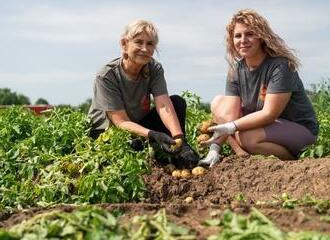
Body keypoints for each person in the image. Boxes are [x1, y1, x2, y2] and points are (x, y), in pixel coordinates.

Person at [199, 9, 318, 167]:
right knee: (218, 103)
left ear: (261, 37)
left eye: (250, 34)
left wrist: (231, 127)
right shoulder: (236, 70)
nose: (243, 40)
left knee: (247, 137)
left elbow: (269, 114)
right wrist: (215, 147)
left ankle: (294, 163)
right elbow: (229, 113)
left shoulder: (279, 66)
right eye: (237, 36)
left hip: (299, 130)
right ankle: (241, 154)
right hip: (267, 128)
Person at [88, 19, 199, 168]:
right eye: (139, 42)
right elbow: (120, 122)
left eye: (150, 44)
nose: (145, 49)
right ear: (124, 44)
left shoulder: (153, 68)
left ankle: (177, 154)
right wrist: (153, 134)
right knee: (134, 147)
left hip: (138, 126)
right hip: (109, 133)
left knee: (177, 102)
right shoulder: (107, 76)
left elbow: (164, 104)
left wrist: (180, 139)